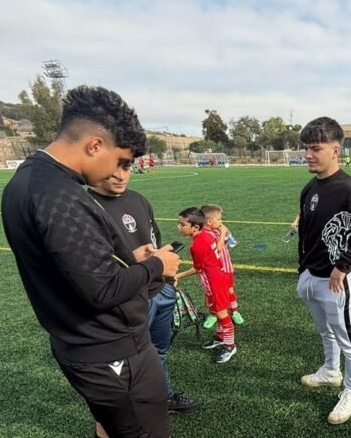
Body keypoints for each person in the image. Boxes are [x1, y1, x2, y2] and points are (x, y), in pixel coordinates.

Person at [1, 85, 221, 438]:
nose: (124, 171)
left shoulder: (25, 181)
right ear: (94, 144)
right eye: (121, 159)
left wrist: (136, 263)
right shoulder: (60, 196)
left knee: (110, 428)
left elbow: (79, 271)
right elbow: (101, 291)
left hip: (79, 345)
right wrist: (156, 268)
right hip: (110, 348)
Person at [87, 162, 201, 414]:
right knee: (130, 359)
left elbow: (153, 240)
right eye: (113, 167)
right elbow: (88, 267)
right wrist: (131, 260)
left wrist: (167, 276)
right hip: (128, 297)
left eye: (126, 167)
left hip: (160, 289)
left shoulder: (138, 199)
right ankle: (134, 410)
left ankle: (165, 397)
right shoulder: (84, 206)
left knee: (158, 351)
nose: (120, 175)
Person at [296, 116, 351, 425]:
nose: (308, 154)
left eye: (315, 148)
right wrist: (302, 269)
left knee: (348, 336)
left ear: (335, 150)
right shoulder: (309, 188)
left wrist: (344, 264)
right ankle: (330, 372)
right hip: (311, 276)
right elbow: (306, 232)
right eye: (306, 148)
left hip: (337, 280)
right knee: (325, 331)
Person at [175, 206, 239, 364]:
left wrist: (178, 275)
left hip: (214, 281)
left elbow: (197, 268)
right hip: (216, 278)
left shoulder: (196, 245)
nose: (179, 227)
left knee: (222, 314)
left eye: (182, 224)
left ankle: (230, 345)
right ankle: (220, 337)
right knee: (215, 311)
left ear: (195, 226)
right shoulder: (206, 234)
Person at [192, 204, 245, 331]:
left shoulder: (219, 230)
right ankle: (213, 314)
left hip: (226, 267)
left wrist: (227, 233)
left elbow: (231, 243)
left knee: (230, 290)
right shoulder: (205, 234)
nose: (221, 222)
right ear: (209, 221)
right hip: (214, 270)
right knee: (211, 294)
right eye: (219, 219)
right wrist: (222, 233)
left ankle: (235, 312)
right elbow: (218, 248)